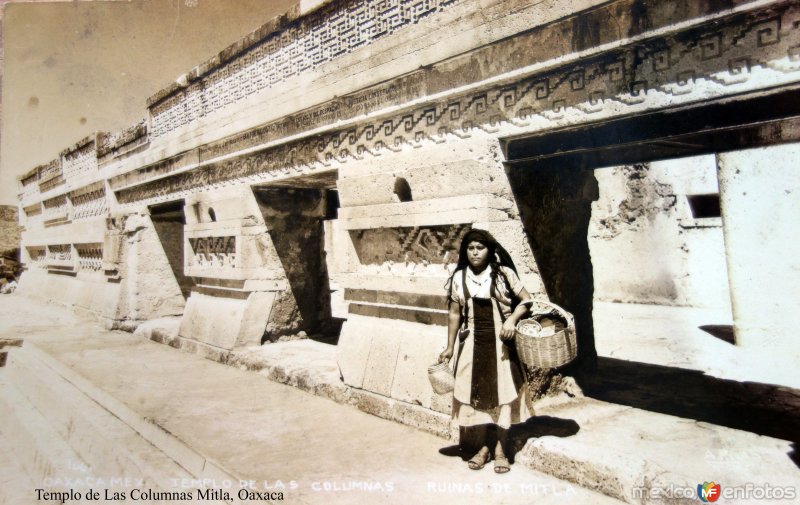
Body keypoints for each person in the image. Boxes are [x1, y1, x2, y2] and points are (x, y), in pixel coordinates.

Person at [439, 229, 532, 473]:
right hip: (472, 344)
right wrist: (450, 347)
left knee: (502, 394)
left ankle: (501, 448)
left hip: (502, 343)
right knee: (475, 394)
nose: (475, 252)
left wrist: (511, 321)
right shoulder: (459, 277)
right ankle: (483, 448)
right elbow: (454, 313)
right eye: (470, 248)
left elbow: (527, 300)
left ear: (489, 250)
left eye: (480, 248)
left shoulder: (503, 274)